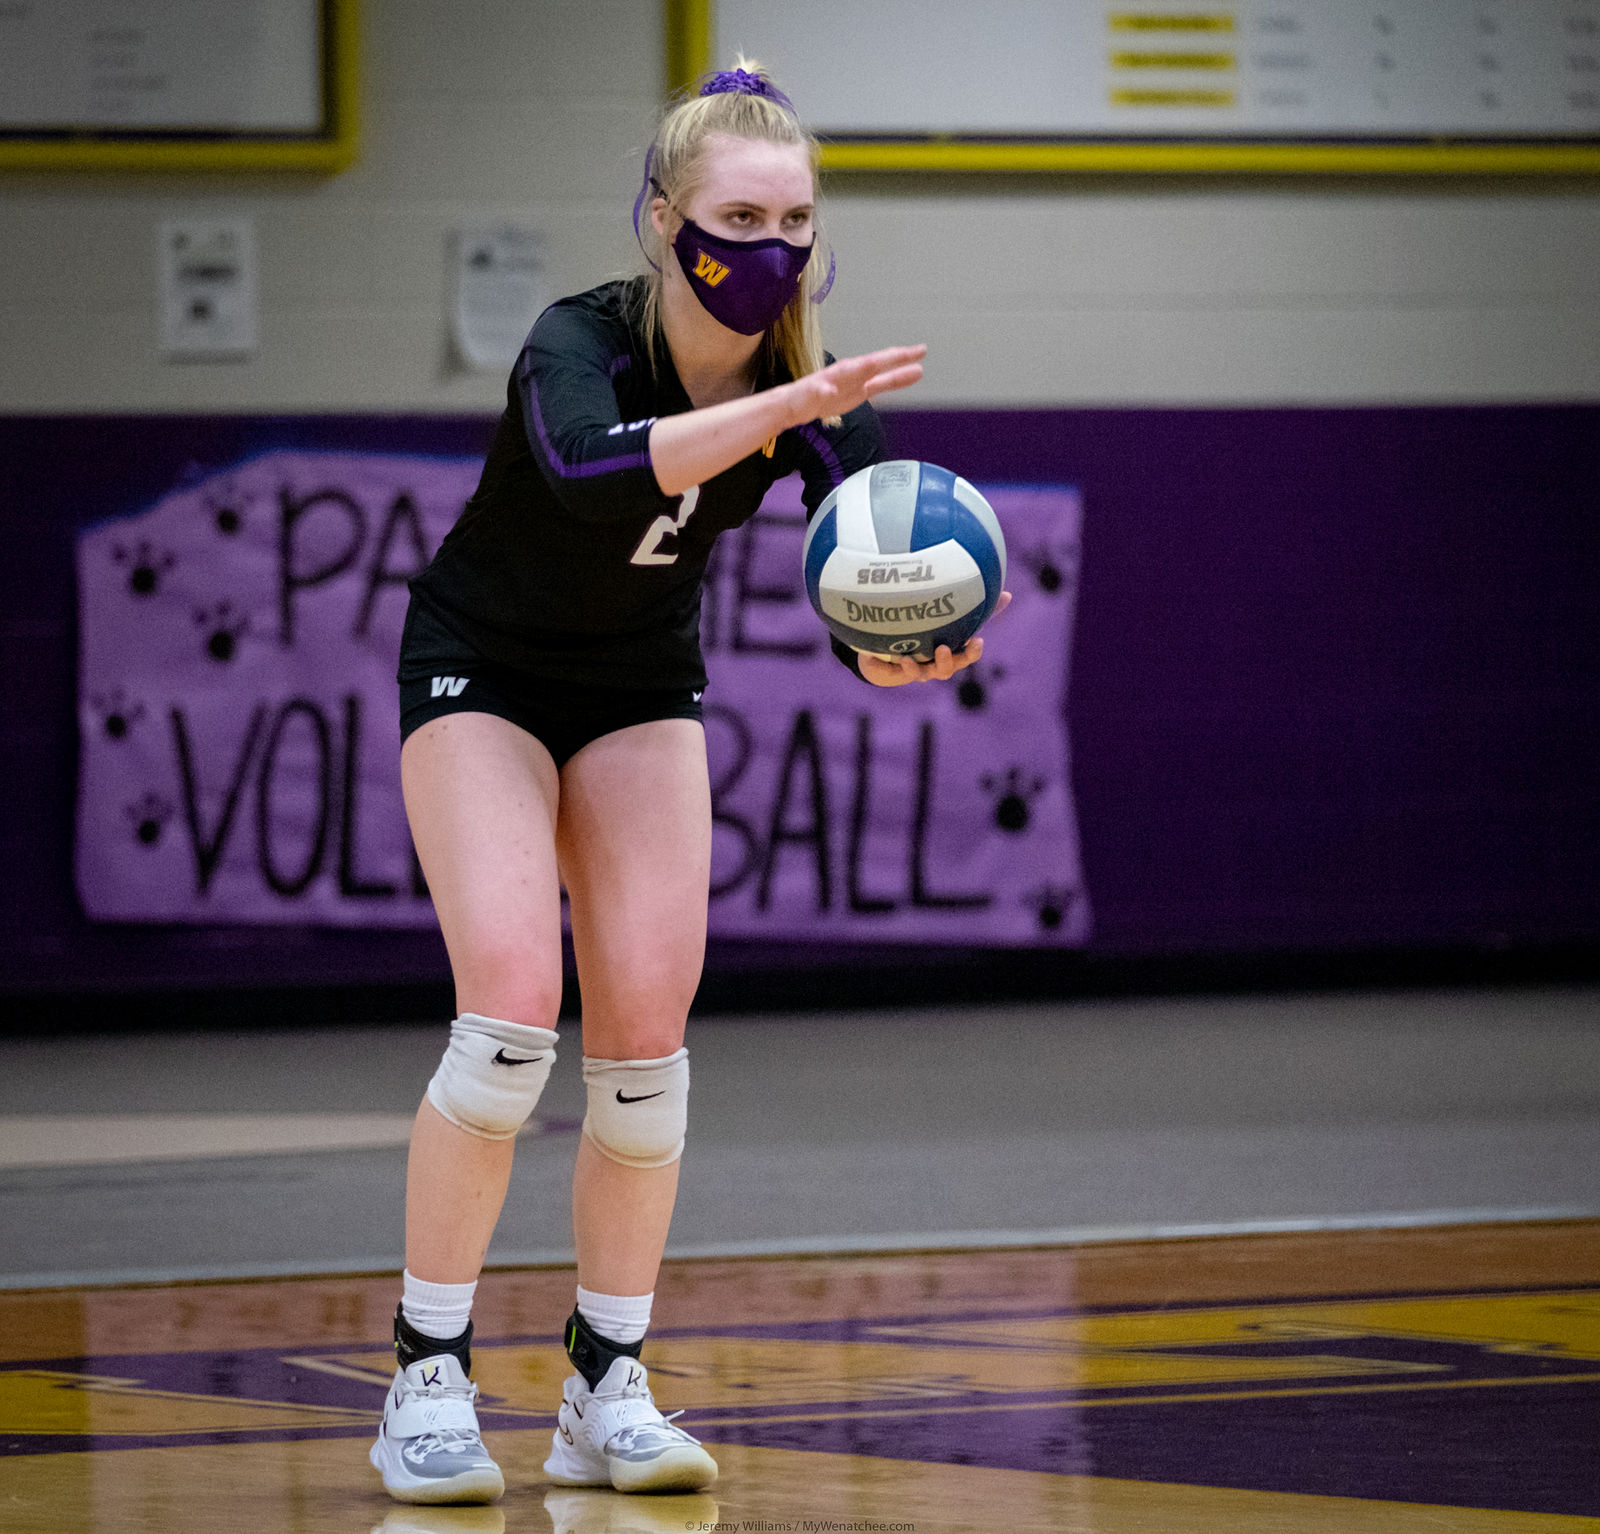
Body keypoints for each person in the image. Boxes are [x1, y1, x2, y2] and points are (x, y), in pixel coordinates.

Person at [369, 60, 999, 1506]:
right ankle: (426, 1376)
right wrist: (781, 413)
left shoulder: (810, 391)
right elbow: (589, 470)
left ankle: (605, 1388)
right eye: (740, 219)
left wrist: (903, 650)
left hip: (638, 682)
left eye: (796, 221)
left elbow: (862, 584)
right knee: (508, 1016)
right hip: (482, 667)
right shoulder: (579, 337)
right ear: (665, 220)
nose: (772, 249)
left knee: (647, 1054)